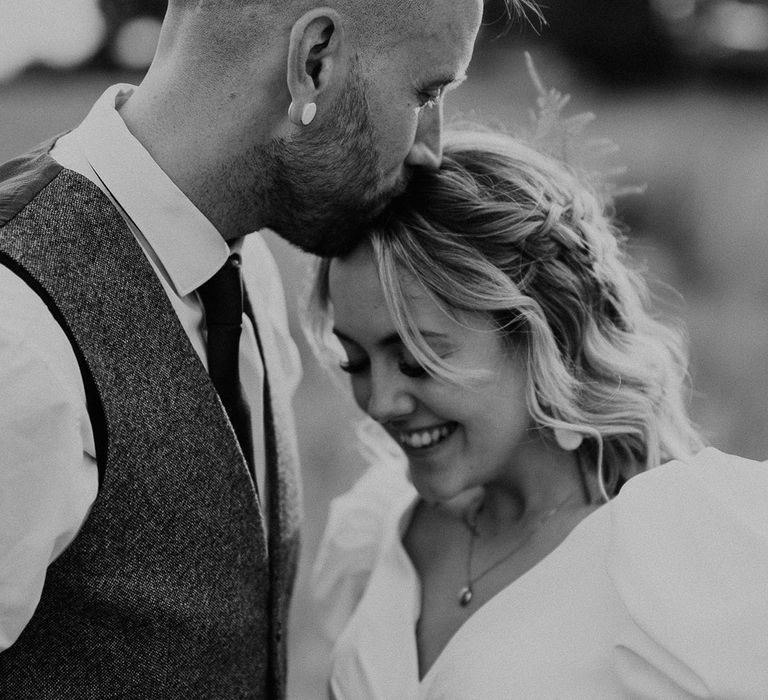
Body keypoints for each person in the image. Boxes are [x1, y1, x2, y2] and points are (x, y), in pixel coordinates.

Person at [0, 0, 501, 696]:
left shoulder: (246, 272)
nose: (432, 148)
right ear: (313, 61)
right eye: (427, 93)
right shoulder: (15, 339)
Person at [308, 129, 768, 698]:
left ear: (540, 336)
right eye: (354, 361)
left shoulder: (680, 559)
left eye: (416, 359)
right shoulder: (378, 528)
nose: (379, 403)